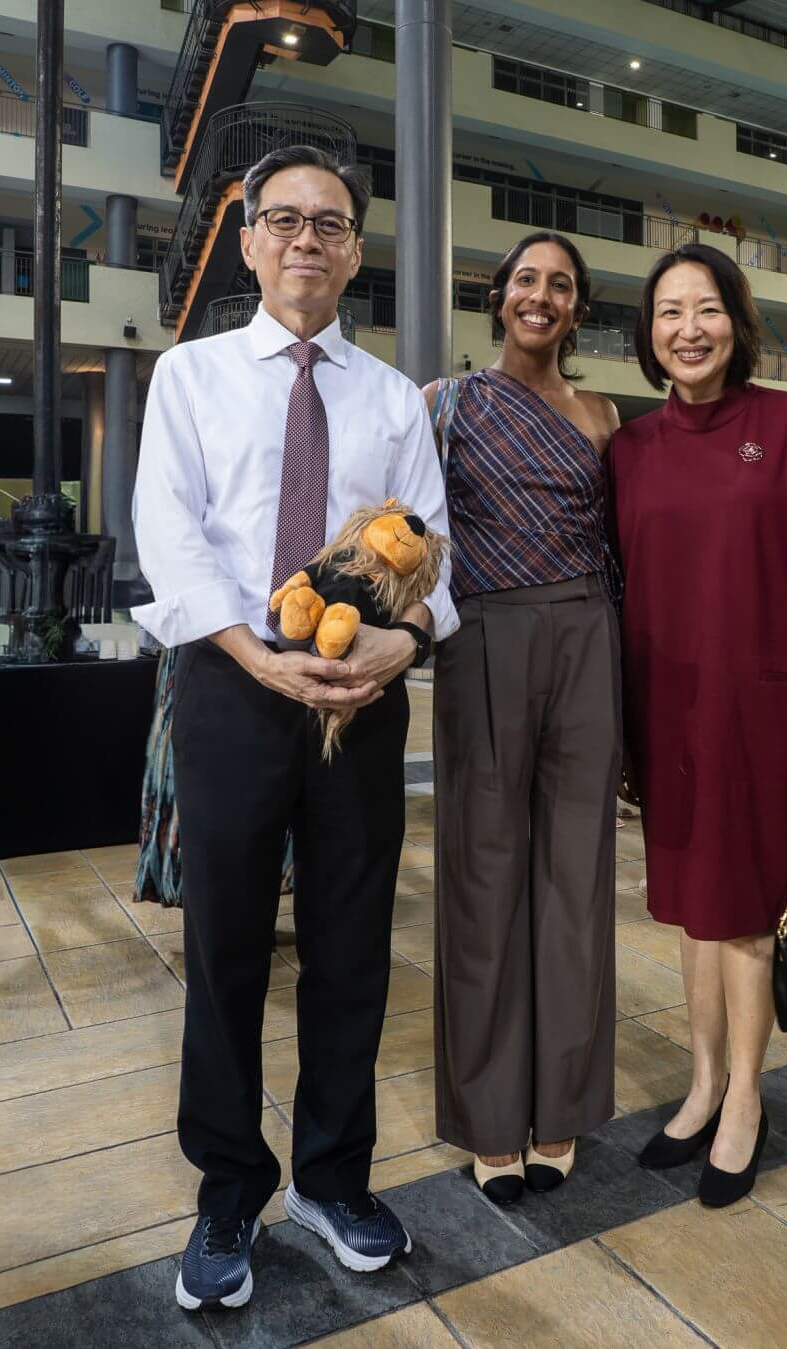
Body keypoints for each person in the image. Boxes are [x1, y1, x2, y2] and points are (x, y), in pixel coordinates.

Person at [133, 145, 457, 1311]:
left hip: (361, 700)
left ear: (356, 250)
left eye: (328, 223)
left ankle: (330, 1176)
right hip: (231, 686)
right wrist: (255, 660)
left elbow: (436, 560)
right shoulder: (191, 376)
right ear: (247, 239)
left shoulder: (388, 397)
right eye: (283, 219)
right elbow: (168, 542)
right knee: (222, 946)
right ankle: (228, 1187)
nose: (305, 239)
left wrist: (400, 644)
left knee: (351, 943)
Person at [611, 242, 787, 1208]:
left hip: (767, 712)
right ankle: (702, 1080)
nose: (689, 329)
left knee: (750, 918)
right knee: (690, 909)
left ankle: (747, 1101)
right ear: (649, 334)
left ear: (738, 320)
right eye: (669, 312)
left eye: (707, 308)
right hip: (667, 714)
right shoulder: (630, 451)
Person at [424, 233, 621, 1205]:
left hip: (589, 634)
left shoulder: (601, 413)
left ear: (576, 309)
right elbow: (402, 531)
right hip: (484, 638)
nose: (541, 297)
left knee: (575, 878)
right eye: (526, 281)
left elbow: (623, 546)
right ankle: (488, 1120)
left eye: (561, 286)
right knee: (481, 873)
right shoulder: (445, 402)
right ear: (497, 296)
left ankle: (566, 1106)